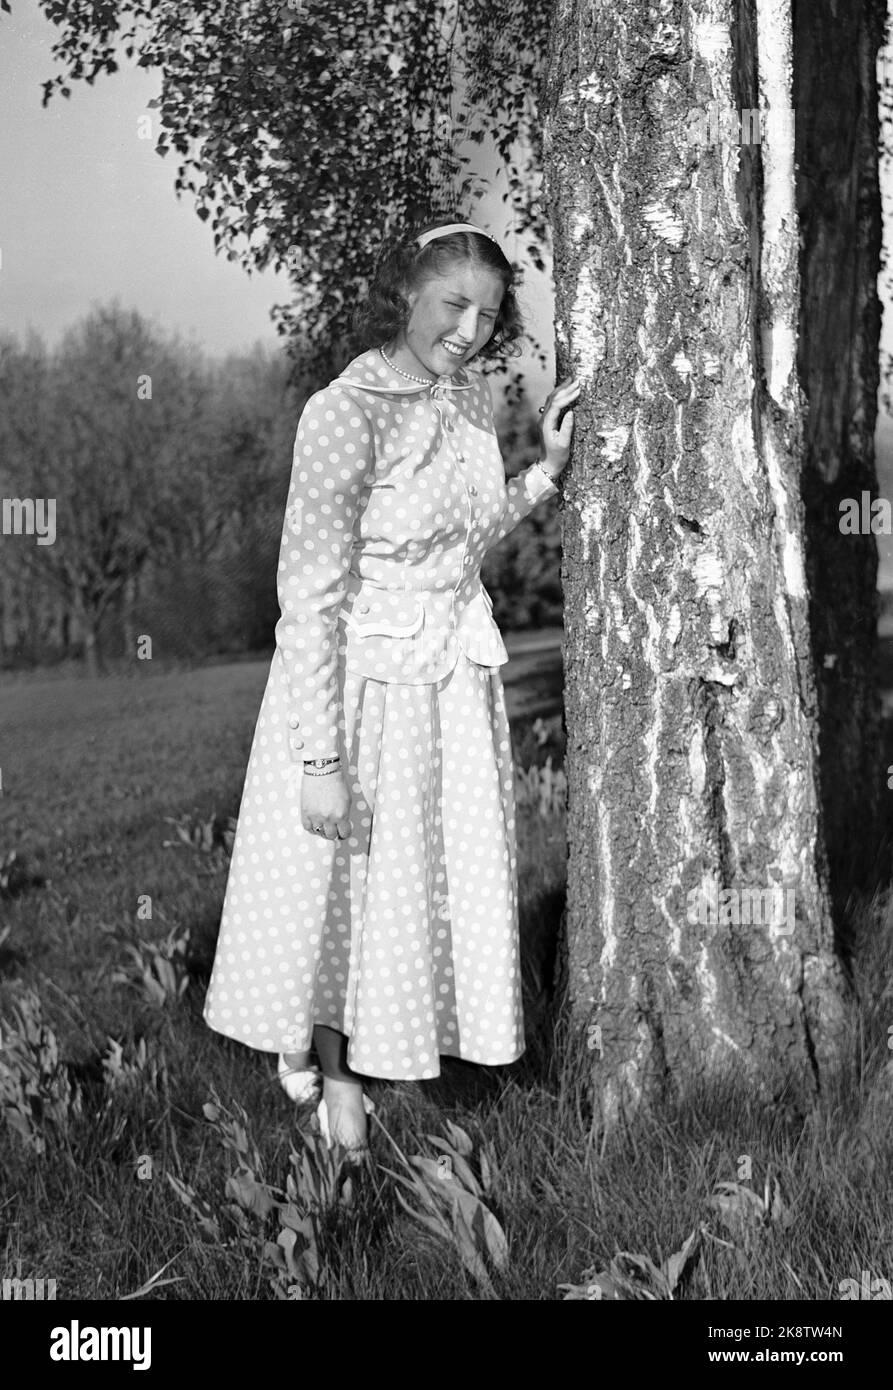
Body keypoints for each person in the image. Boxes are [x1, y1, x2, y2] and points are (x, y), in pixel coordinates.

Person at [203, 216, 579, 1159]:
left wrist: (547, 473)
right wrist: (318, 758)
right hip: (361, 688)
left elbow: (465, 537)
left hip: (450, 686)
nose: (468, 330)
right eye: (453, 305)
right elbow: (310, 601)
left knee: (411, 882)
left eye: (488, 316)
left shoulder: (464, 404)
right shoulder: (344, 412)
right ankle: (335, 1074)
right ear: (403, 293)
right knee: (342, 878)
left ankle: (378, 1039)